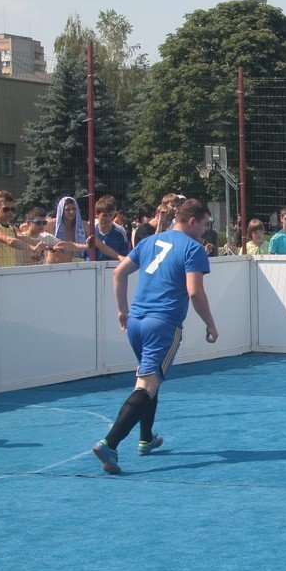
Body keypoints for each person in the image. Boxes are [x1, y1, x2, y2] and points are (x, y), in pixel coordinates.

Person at [92, 198, 220, 475]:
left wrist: (122, 311)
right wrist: (210, 323)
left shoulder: (150, 241)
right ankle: (110, 443)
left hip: (137, 322)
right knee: (147, 386)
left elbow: (118, 272)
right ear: (192, 221)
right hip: (162, 325)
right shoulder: (192, 249)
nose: (206, 230)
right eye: (205, 224)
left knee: (151, 380)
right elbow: (195, 292)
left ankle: (146, 438)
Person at [0, 191, 45, 267]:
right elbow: (9, 240)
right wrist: (33, 248)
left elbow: (27, 239)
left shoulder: (12, 227)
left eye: (13, 209)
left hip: (10, 271)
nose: (10, 212)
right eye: (6, 209)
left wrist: (50, 246)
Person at [88, 196, 130, 261]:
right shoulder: (91, 230)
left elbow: (124, 256)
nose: (107, 218)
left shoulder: (120, 232)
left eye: (110, 215)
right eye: (104, 215)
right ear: (97, 214)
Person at [53, 196, 89, 260]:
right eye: (68, 209)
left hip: (79, 262)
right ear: (61, 211)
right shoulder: (52, 225)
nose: (72, 212)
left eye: (74, 209)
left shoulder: (84, 225)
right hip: (58, 262)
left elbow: (96, 242)